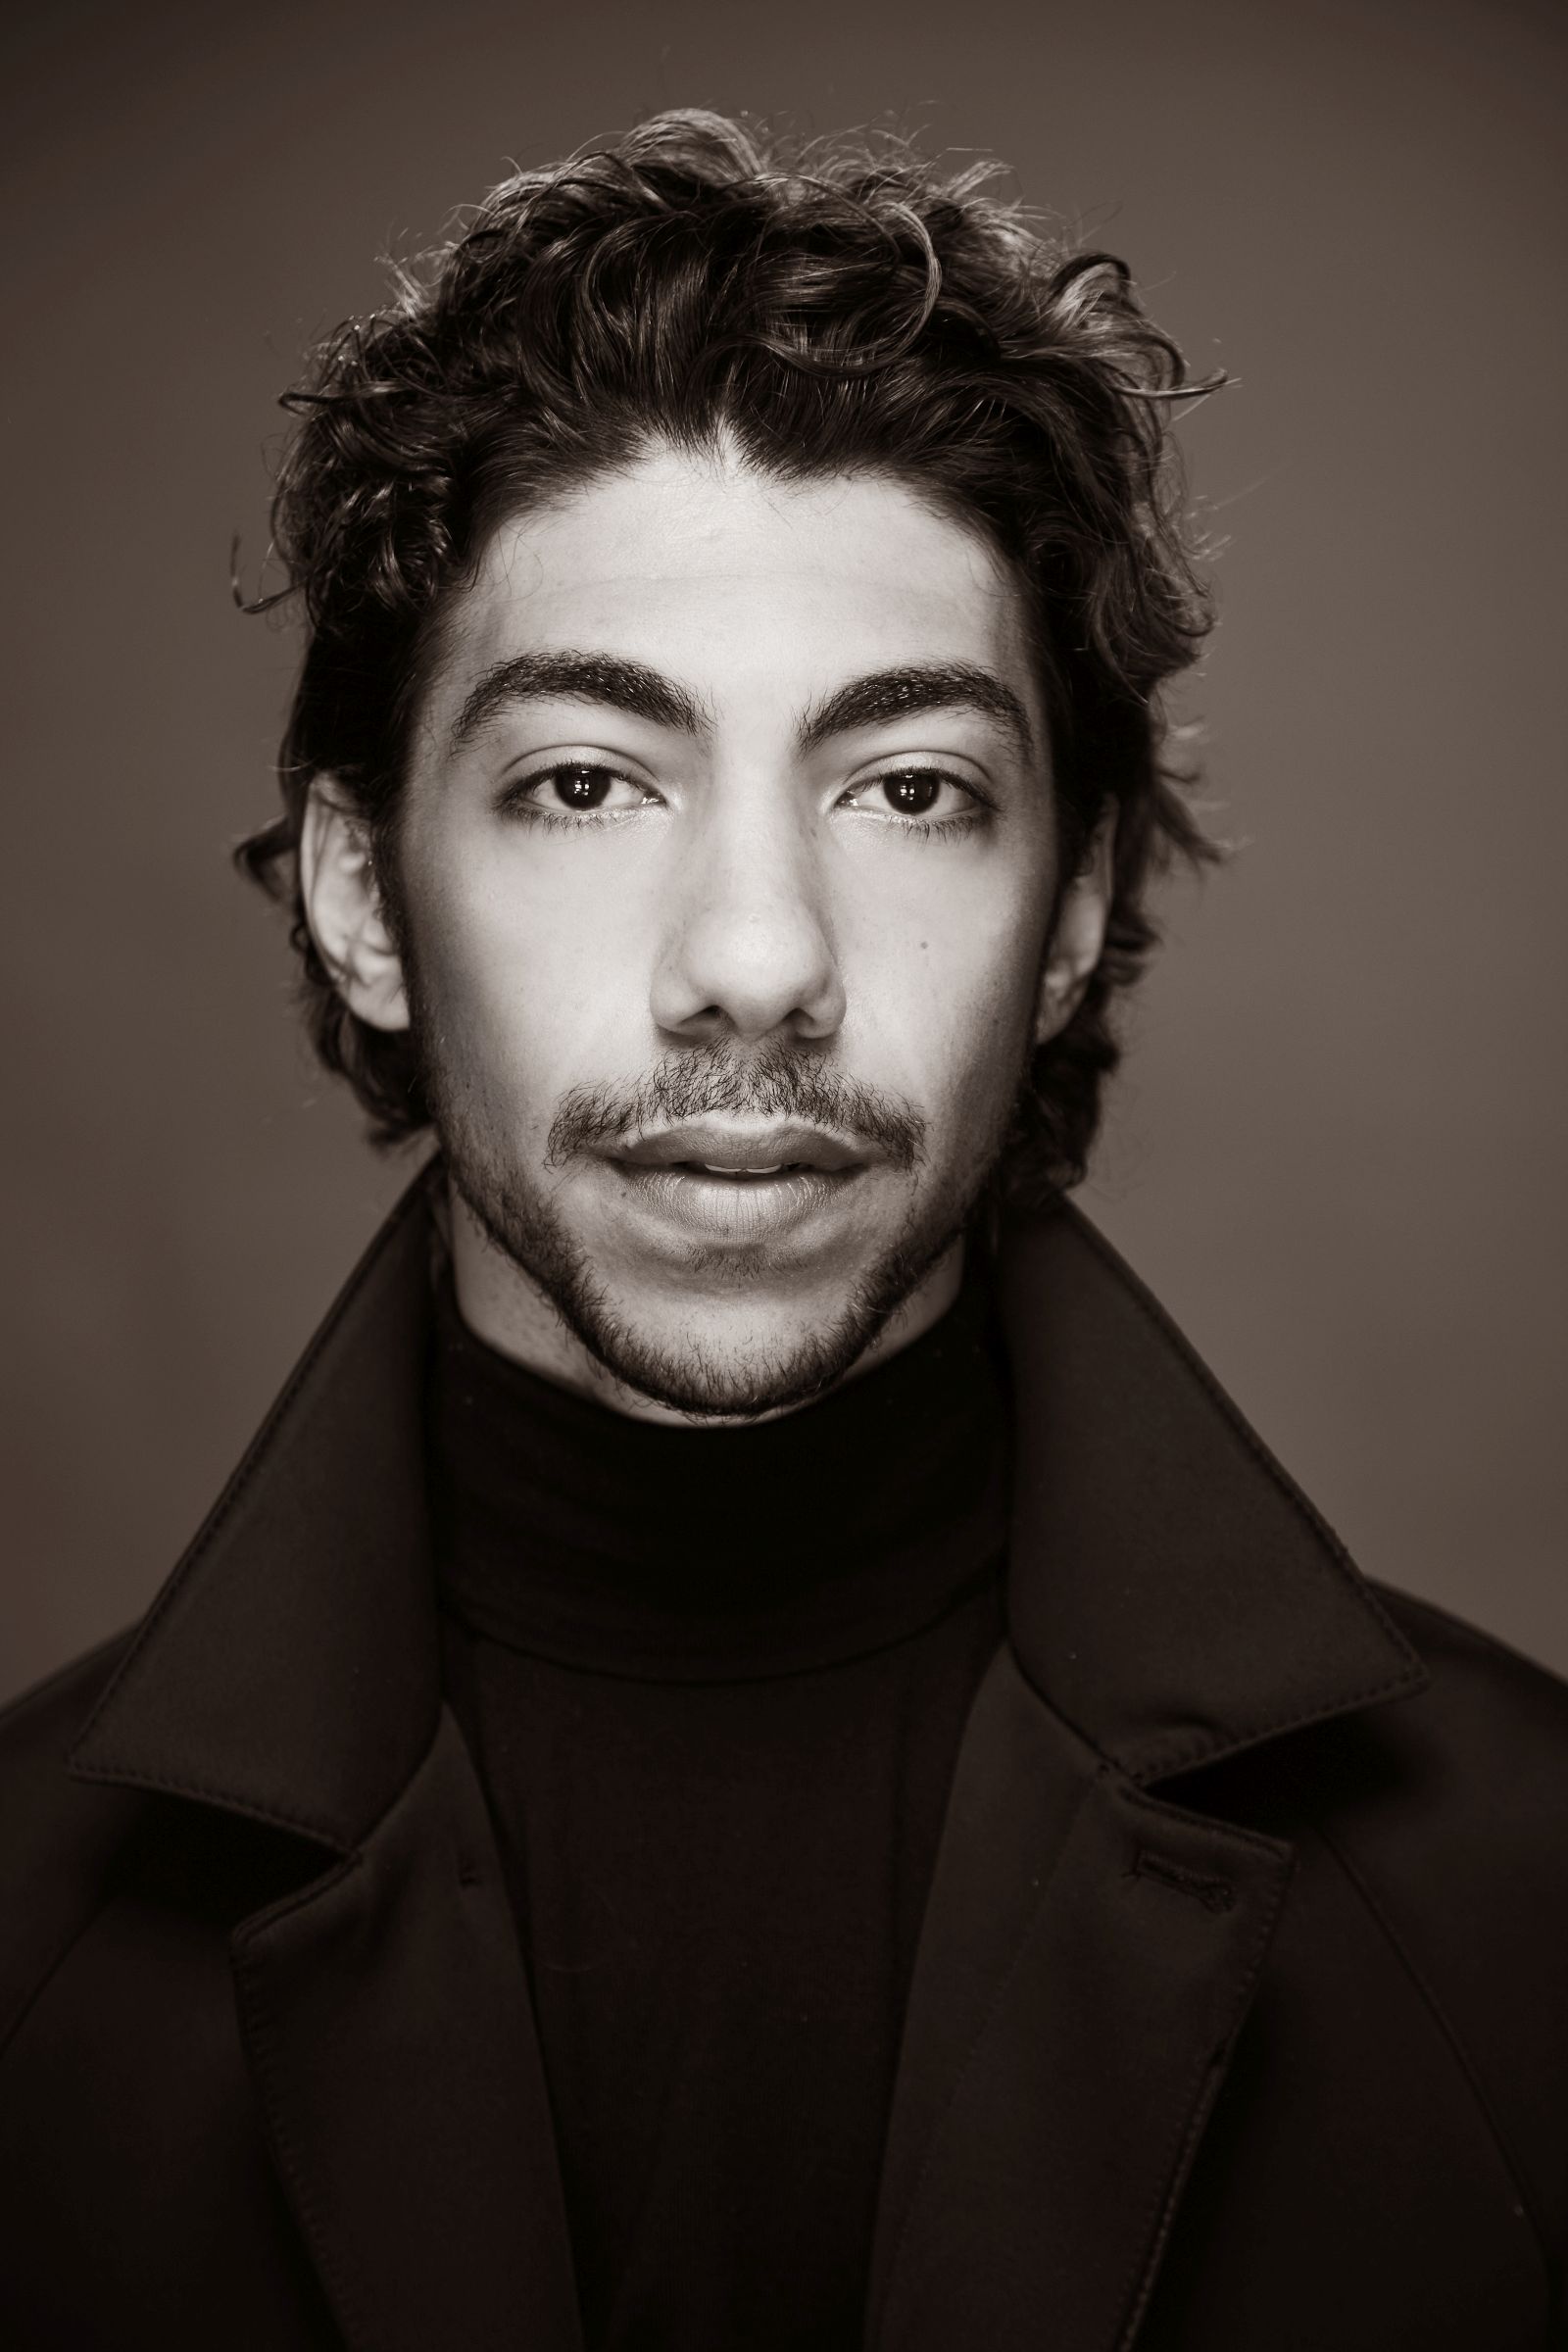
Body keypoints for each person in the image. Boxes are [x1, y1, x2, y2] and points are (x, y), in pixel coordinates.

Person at [1, 110, 1564, 2352]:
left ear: (1076, 908)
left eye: (905, 789)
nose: (752, 955)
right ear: (359, 895)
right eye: (582, 781)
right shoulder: (25, 1961)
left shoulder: (1523, 1924)